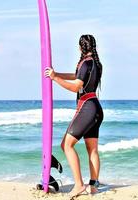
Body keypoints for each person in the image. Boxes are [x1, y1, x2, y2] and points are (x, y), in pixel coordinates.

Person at [45, 34, 104, 198]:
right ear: (94, 46)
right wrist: (57, 73)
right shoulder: (97, 64)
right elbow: (77, 76)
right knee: (92, 150)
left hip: (87, 108)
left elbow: (76, 86)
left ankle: (78, 185)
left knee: (66, 145)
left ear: (80, 47)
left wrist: (55, 78)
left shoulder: (85, 63)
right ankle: (93, 186)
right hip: (97, 108)